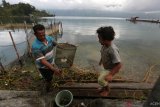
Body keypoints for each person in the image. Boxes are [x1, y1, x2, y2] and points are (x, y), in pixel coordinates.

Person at [31, 24, 61, 92]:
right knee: (48, 79)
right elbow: (43, 61)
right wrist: (54, 69)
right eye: (40, 35)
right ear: (35, 34)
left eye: (43, 34)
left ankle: (49, 78)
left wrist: (64, 46)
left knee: (52, 74)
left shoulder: (49, 38)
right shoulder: (35, 47)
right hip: (43, 67)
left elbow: (56, 44)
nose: (42, 37)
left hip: (51, 62)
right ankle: (47, 89)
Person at [97, 26, 122, 96]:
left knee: (100, 80)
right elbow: (103, 53)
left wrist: (111, 74)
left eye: (99, 39)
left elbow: (119, 65)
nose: (98, 41)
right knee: (102, 78)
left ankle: (107, 90)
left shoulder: (112, 50)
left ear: (106, 40)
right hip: (106, 67)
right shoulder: (104, 46)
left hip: (111, 69)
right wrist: (101, 60)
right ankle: (103, 87)